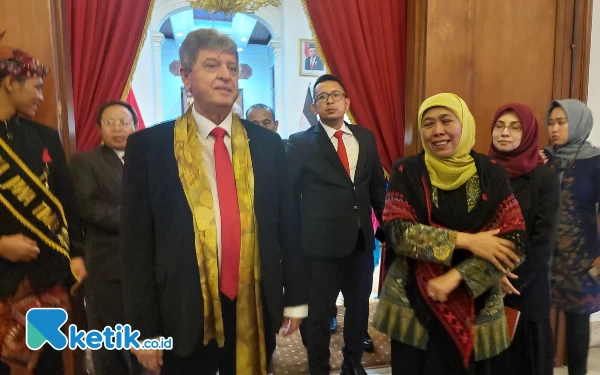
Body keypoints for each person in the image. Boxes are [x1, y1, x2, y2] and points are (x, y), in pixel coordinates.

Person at [120, 28, 308, 375]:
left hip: (253, 299)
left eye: (232, 67)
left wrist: (295, 297)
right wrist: (142, 331)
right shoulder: (150, 147)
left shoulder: (268, 145)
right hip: (181, 304)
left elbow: (288, 225)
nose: (225, 75)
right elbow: (136, 246)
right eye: (211, 65)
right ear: (186, 76)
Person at [373, 93, 527, 375]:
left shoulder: (491, 173)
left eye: (446, 121)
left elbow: (514, 241)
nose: (437, 131)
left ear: (464, 124)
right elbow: (397, 231)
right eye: (428, 123)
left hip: (477, 306)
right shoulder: (406, 170)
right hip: (413, 304)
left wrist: (457, 276)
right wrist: (469, 241)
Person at [287, 74, 386, 375]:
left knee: (358, 312)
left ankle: (352, 364)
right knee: (318, 317)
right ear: (315, 107)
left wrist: (385, 227)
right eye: (322, 97)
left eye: (335, 94)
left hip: (359, 244)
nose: (329, 100)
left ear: (347, 101)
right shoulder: (300, 143)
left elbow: (376, 189)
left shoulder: (366, 138)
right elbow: (290, 198)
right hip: (318, 248)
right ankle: (318, 367)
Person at [0, 33, 85, 373]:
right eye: (35, 87)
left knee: (50, 364)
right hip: (2, 274)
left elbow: (68, 202)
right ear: (9, 82)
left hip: (46, 276)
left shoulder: (45, 137)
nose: (40, 97)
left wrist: (77, 253)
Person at [487, 103, 559, 375]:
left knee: (526, 361)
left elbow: (544, 237)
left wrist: (511, 277)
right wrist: (490, 274)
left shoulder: (543, 176)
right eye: (500, 126)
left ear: (528, 133)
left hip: (526, 285)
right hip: (483, 281)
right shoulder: (480, 171)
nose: (505, 133)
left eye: (515, 128)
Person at [70, 101, 141, 375]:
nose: (118, 128)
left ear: (135, 126)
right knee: (110, 341)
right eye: (110, 122)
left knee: (147, 336)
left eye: (124, 122)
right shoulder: (85, 162)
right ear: (99, 128)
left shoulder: (147, 161)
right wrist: (139, 219)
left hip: (145, 265)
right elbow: (89, 207)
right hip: (107, 263)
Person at [544, 99, 600, 375]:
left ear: (577, 123)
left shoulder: (596, 162)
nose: (554, 128)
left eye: (561, 122)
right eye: (551, 122)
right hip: (543, 256)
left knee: (578, 328)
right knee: (539, 321)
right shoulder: (542, 159)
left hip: (582, 260)